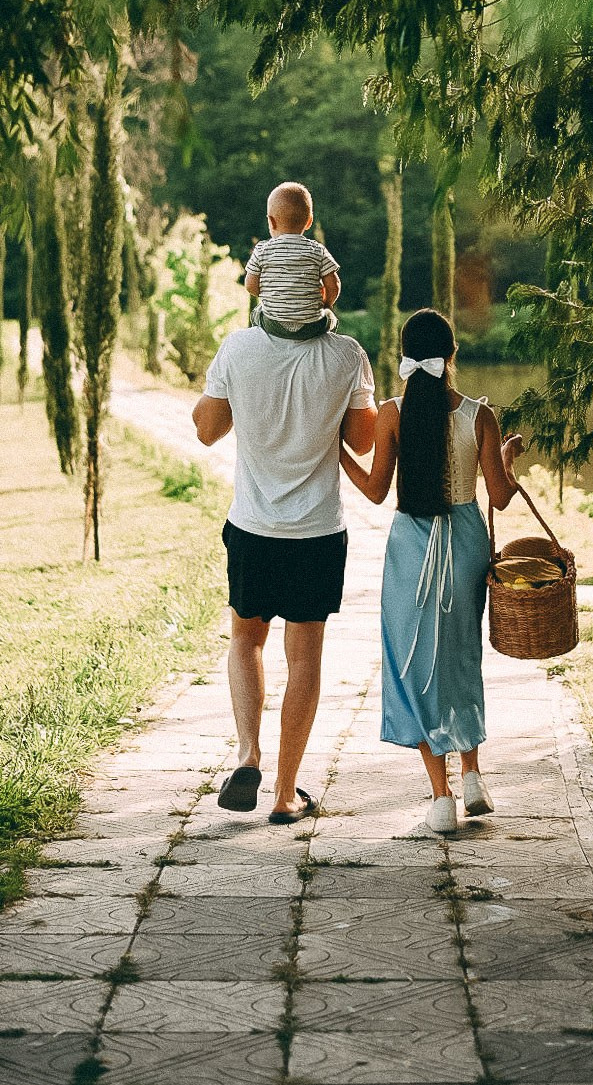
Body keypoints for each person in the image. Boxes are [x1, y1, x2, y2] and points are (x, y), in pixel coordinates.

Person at [339, 308, 523, 832]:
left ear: (405, 356)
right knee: (462, 656)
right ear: (452, 355)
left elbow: (376, 491)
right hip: (466, 543)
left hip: (411, 548)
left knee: (414, 664)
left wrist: (338, 452)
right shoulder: (479, 415)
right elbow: (500, 497)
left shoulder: (391, 413)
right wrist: (507, 457)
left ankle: (441, 799)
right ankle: (473, 776)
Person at [192, 313, 377, 822]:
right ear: (323, 289)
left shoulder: (238, 348)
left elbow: (206, 430)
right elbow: (363, 441)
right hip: (316, 533)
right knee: (305, 659)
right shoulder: (347, 355)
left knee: (246, 640)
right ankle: (284, 793)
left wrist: (237, 396)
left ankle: (248, 754)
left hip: (253, 528)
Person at [244, 180, 341, 338]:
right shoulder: (317, 250)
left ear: (271, 221)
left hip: (273, 325)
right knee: (330, 317)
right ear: (309, 222)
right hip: (311, 326)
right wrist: (326, 304)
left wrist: (272, 294)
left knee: (256, 313)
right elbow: (334, 285)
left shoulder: (262, 249)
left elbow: (250, 286)